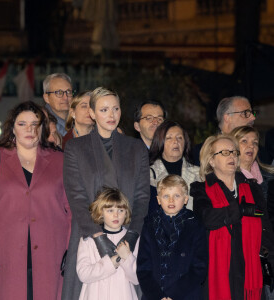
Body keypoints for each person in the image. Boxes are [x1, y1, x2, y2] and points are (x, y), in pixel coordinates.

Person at [0, 101, 72, 300]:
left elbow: (72, 209)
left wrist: (72, 248)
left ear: (43, 128)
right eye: (22, 124)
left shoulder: (60, 161)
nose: (29, 129)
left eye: (35, 123)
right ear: (12, 129)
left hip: (51, 252)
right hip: (5, 253)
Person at [62, 87, 149, 300]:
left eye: (116, 109)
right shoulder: (75, 148)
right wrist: (98, 238)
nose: (111, 115)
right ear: (92, 113)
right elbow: (77, 198)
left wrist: (132, 235)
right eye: (104, 110)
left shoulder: (136, 148)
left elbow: (141, 197)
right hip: (89, 237)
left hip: (127, 235)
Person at [190, 134, 274, 300]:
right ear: (211, 160)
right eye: (224, 152)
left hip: (250, 272)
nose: (232, 156)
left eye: (234, 152)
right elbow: (208, 219)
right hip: (218, 273)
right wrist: (240, 209)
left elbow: (266, 230)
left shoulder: (251, 188)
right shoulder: (201, 189)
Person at [137, 174, 208, 300]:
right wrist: (158, 296)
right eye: (166, 196)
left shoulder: (196, 224)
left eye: (177, 196)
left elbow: (199, 267)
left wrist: (173, 295)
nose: (171, 200)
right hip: (155, 296)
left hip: (185, 294)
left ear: (186, 199)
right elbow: (143, 269)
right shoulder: (149, 224)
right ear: (158, 200)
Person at [76, 187, 139, 300]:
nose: (116, 215)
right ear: (101, 213)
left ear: (126, 213)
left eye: (120, 210)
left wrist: (128, 257)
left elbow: (137, 278)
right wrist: (110, 263)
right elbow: (83, 274)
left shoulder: (133, 238)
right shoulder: (88, 239)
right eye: (110, 210)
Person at [149, 120, 200, 213]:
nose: (176, 141)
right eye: (169, 138)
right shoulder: (149, 173)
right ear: (160, 142)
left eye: (179, 138)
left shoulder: (199, 173)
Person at [193, 96, 257, 166]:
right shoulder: (204, 152)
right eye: (245, 113)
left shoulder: (257, 150)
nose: (253, 118)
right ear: (227, 118)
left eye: (252, 113)